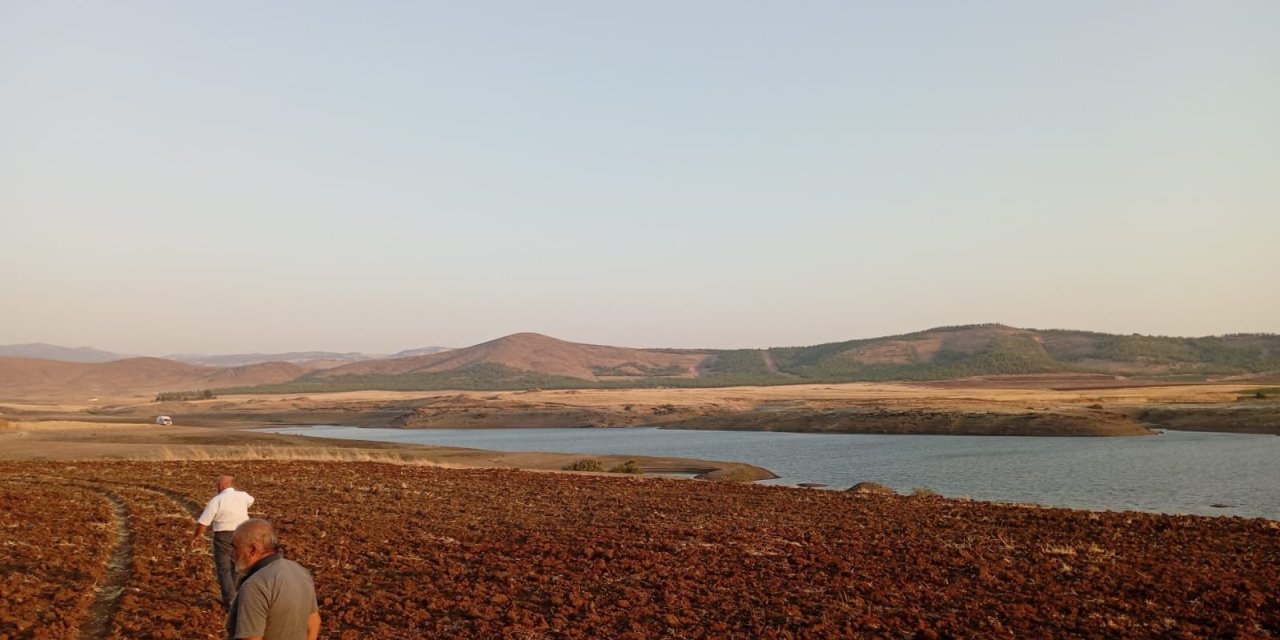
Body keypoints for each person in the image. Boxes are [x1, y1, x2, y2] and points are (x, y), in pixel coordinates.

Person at [226, 518, 321, 640]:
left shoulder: (255, 586)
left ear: (252, 550)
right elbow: (314, 623)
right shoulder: (300, 571)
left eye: (235, 547)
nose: (231, 553)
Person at [191, 474, 255, 607]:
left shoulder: (216, 500)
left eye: (217, 485)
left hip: (223, 536)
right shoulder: (243, 496)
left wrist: (196, 537)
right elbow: (251, 501)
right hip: (242, 534)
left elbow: (203, 522)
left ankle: (230, 600)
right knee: (237, 566)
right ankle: (236, 595)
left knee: (224, 569)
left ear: (220, 486)